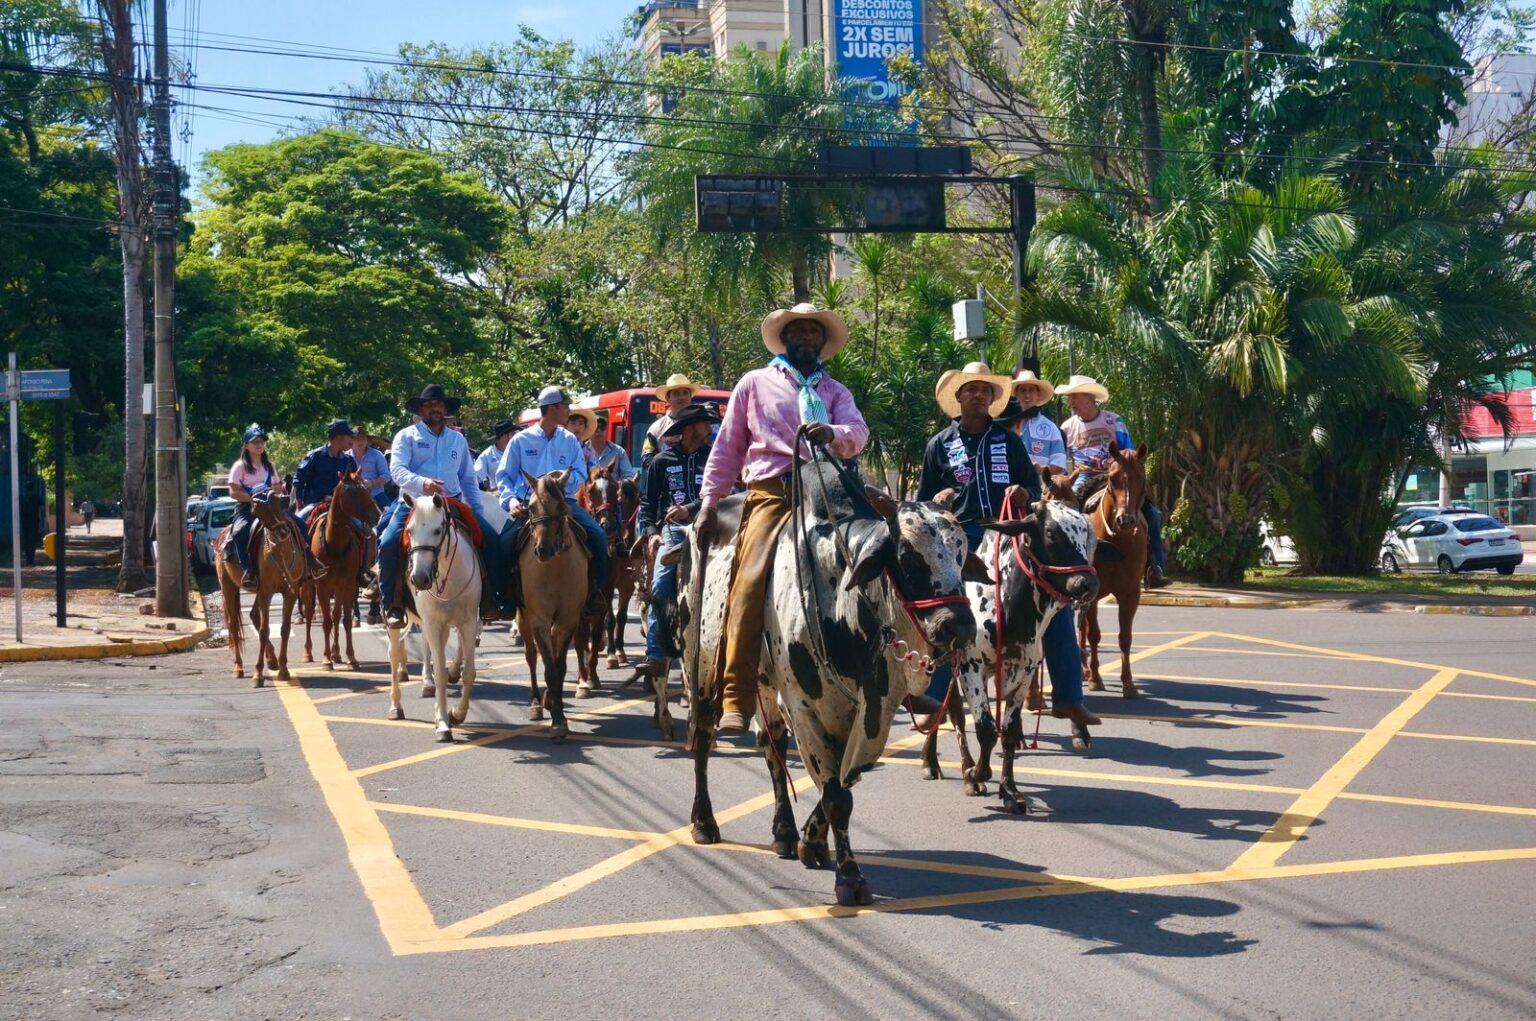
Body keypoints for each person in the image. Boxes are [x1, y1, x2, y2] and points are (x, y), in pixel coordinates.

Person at [696, 303, 869, 735]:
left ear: (822, 343)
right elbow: (728, 447)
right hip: (773, 492)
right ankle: (736, 695)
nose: (808, 337)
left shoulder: (835, 392)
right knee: (750, 580)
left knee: (876, 556)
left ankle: (888, 676)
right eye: (800, 331)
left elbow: (859, 433)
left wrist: (835, 433)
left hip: (827, 489)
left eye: (815, 332)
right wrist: (709, 502)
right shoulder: (754, 383)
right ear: (787, 338)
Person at [378, 385, 504, 628]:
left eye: (438, 404)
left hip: (452, 501)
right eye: (429, 405)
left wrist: (476, 512)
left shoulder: (457, 439)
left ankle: (490, 599)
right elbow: (397, 470)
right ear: (421, 409)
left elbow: (468, 478)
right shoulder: (406, 436)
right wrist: (422, 483)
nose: (435, 408)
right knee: (388, 542)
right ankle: (391, 605)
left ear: (445, 409)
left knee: (490, 538)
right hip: (414, 502)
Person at [496, 386, 609, 618]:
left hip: (563, 504)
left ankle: (594, 593)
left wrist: (561, 482)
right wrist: (510, 502)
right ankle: (504, 597)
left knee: (598, 536)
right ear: (552, 408)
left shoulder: (569, 441)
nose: (568, 410)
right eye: (565, 406)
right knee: (503, 543)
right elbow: (503, 476)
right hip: (530, 505)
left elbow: (580, 473)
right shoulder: (520, 440)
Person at [1057, 375, 1168, 588]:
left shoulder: (1113, 421)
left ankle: (1154, 567)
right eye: (1070, 398)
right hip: (1084, 476)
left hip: (1115, 476)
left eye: (1075, 397)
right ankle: (1066, 566)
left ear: (1089, 397)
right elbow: (1063, 459)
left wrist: (1115, 462)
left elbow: (1130, 452)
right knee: (1068, 513)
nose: (1071, 402)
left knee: (1152, 514)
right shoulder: (1067, 427)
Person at [637, 404, 715, 682]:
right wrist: (650, 532)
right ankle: (656, 655)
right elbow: (647, 504)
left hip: (714, 525)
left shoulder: (715, 457)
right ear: (690, 428)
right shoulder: (661, 461)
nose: (710, 429)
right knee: (660, 582)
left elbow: (728, 489)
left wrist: (691, 508)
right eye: (706, 424)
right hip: (673, 531)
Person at [227, 424, 325, 592]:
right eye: (255, 442)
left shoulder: (269, 466)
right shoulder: (239, 467)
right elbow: (233, 491)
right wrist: (252, 497)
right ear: (246, 445)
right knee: (239, 532)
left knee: (300, 525)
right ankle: (248, 571)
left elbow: (278, 486)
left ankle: (310, 562)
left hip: (271, 507)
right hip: (247, 508)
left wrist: (272, 492)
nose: (259, 445)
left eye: (261, 441)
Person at [293, 419, 354, 524]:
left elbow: (354, 485)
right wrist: (298, 506)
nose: (351, 441)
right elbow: (299, 480)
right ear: (339, 437)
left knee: (367, 530)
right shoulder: (315, 456)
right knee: (297, 525)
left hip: (342, 507)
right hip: (315, 505)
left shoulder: (349, 461)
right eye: (349, 436)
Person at [1011, 371, 1068, 471]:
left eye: (1031, 390)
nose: (1027, 395)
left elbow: (1059, 465)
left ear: (1038, 394)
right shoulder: (1009, 426)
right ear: (1016, 394)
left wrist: (1042, 470)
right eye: (1023, 390)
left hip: (1041, 485)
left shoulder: (1050, 427)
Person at [641, 373, 699, 470]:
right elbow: (647, 457)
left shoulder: (703, 424)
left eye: (685, 393)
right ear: (668, 398)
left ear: (690, 396)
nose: (682, 397)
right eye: (676, 393)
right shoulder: (656, 428)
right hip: (669, 481)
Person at [345, 428, 392, 513]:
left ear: (367, 440)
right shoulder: (345, 456)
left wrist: (372, 483)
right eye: (357, 439)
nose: (360, 441)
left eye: (363, 438)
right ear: (351, 441)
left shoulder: (377, 455)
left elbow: (386, 476)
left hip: (377, 495)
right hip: (353, 497)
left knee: (392, 515)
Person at [584, 411, 638, 480]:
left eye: (602, 427)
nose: (599, 431)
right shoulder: (581, 450)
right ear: (589, 430)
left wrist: (617, 485)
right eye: (596, 427)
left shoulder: (619, 451)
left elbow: (629, 476)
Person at [475, 420, 517, 490]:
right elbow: (475, 478)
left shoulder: (518, 451)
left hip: (521, 496)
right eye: (512, 434)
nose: (515, 436)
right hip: (498, 498)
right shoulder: (487, 455)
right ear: (504, 436)